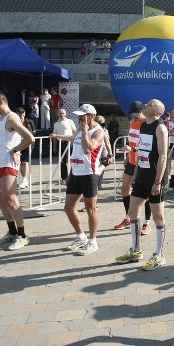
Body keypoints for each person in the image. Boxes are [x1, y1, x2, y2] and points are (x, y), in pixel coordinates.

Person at [115, 99, 169, 270]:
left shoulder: (160, 128)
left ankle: (159, 255)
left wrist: (158, 181)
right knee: (132, 211)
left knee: (158, 216)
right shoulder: (143, 125)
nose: (145, 105)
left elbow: (163, 156)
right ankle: (136, 250)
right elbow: (141, 151)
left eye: (149, 104)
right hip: (142, 176)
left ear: (157, 111)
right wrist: (135, 174)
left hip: (154, 178)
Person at [53, 104, 107, 256]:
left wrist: (84, 133)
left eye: (82, 116)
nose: (79, 119)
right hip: (76, 172)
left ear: (91, 116)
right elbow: (74, 145)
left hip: (90, 173)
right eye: (78, 116)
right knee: (68, 207)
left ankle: (93, 241)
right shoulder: (79, 127)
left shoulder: (98, 132)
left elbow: (87, 149)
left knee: (91, 209)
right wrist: (57, 136)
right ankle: (80, 236)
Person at [0, 91, 35, 250]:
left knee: (10, 198)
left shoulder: (11, 117)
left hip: (8, 164)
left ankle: (22, 236)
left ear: (0, 101)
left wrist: (15, 150)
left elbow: (29, 138)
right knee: (0, 199)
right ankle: (12, 232)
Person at [114, 101, 152, 233]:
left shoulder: (147, 124)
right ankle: (128, 218)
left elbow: (147, 145)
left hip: (142, 162)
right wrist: (128, 155)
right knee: (124, 188)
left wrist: (132, 149)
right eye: (133, 114)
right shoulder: (132, 122)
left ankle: (147, 222)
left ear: (143, 111)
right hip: (132, 160)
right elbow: (133, 140)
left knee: (145, 193)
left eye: (137, 114)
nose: (134, 117)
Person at [52, 108, 77, 180]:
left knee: (73, 160)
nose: (62, 115)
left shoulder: (70, 121)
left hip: (70, 143)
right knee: (62, 161)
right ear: (58, 114)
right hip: (61, 144)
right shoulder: (56, 124)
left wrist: (74, 140)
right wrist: (54, 146)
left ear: (65, 114)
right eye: (60, 113)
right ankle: (64, 177)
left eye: (63, 113)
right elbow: (54, 135)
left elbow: (75, 131)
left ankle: (74, 176)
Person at [14, 108, 35, 190]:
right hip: (17, 145)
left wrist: (31, 143)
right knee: (17, 163)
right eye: (19, 114)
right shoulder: (14, 122)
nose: (21, 116)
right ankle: (15, 181)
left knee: (25, 162)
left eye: (23, 114)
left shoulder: (29, 121)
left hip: (26, 144)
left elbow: (33, 133)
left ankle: (24, 179)